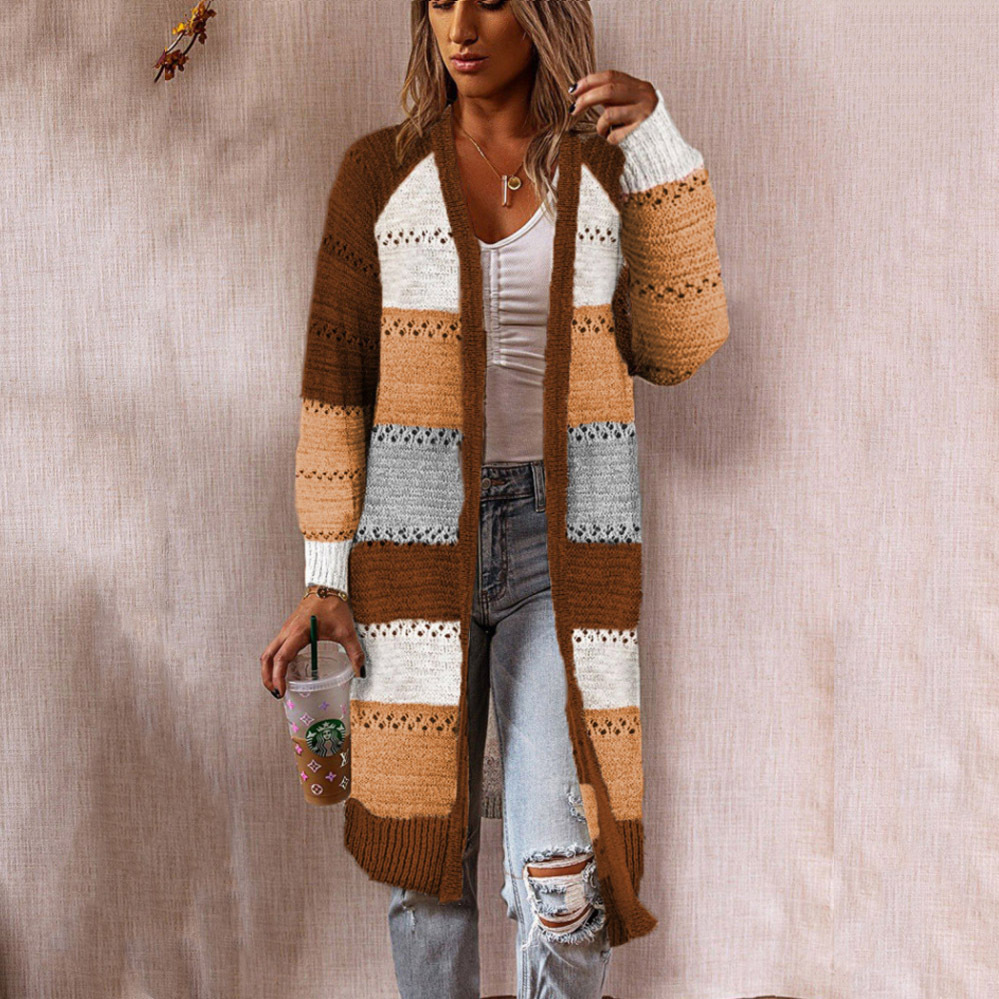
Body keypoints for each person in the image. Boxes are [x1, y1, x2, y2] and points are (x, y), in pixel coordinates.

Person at [261, 2, 729, 996]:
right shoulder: (379, 172)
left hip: (563, 548)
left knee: (562, 875)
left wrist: (658, 145)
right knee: (426, 874)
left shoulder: (601, 170)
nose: (461, 26)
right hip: (409, 545)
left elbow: (677, 346)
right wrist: (323, 577)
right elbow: (336, 385)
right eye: (440, 1)